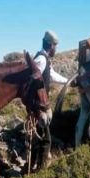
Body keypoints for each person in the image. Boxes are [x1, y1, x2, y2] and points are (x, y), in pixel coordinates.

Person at [32, 30, 69, 169]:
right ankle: (39, 170)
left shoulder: (44, 58)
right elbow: (33, 80)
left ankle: (32, 166)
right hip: (39, 106)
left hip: (39, 105)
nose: (56, 49)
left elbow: (52, 75)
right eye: (56, 45)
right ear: (51, 45)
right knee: (45, 139)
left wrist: (68, 81)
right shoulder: (41, 60)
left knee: (39, 136)